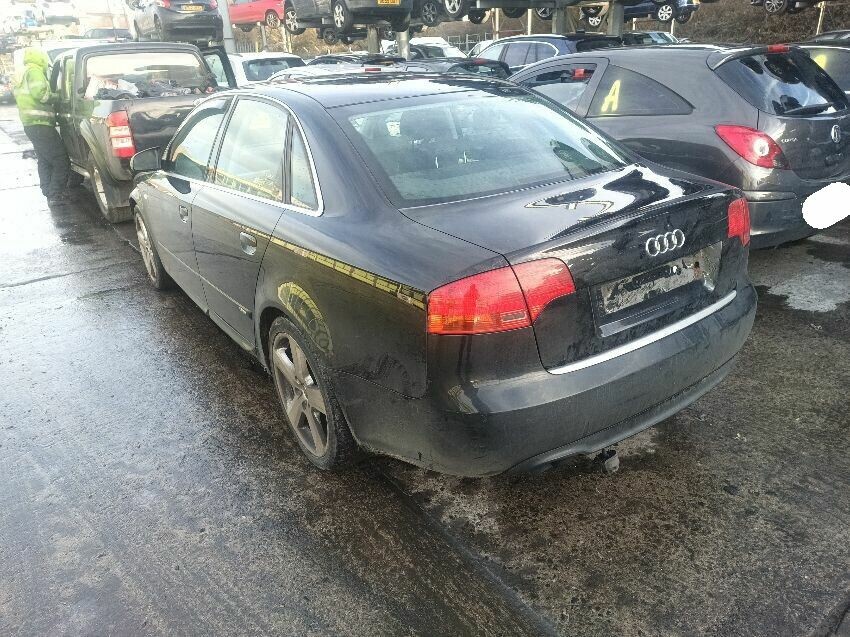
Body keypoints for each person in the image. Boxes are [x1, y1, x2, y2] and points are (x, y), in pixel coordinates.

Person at [14, 47, 71, 206]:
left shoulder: (23, 73)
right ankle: (55, 194)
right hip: (41, 124)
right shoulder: (34, 71)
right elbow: (42, 94)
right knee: (60, 160)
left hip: (31, 124)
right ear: (41, 59)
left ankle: (48, 191)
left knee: (45, 160)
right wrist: (58, 97)